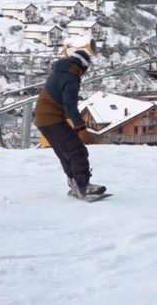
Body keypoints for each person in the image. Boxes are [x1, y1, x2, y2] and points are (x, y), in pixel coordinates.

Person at [34, 48, 105, 199]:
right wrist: (81, 129)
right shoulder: (71, 77)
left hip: (43, 118)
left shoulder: (60, 71)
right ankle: (83, 186)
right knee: (77, 150)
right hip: (52, 118)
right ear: (83, 66)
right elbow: (70, 106)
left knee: (65, 153)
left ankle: (74, 183)